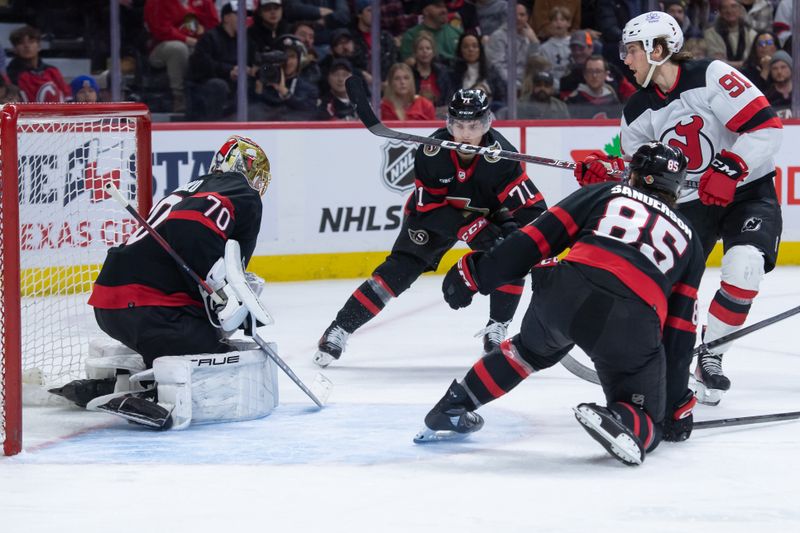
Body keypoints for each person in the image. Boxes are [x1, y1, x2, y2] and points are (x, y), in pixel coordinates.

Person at [416, 142, 704, 467]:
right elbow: (679, 332)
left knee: (529, 350)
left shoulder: (607, 192)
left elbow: (535, 239)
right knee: (648, 420)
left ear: (634, 175)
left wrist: (477, 274)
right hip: (629, 318)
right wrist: (676, 404)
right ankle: (624, 417)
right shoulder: (690, 239)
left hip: (565, 291)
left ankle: (454, 405)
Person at [573, 11, 783, 406]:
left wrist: (732, 167)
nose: (626, 60)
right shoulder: (637, 109)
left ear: (658, 49)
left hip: (747, 193)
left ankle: (712, 356)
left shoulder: (711, 75)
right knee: (661, 288)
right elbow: (641, 173)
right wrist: (608, 169)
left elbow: (766, 127)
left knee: (745, 267)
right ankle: (653, 360)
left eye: (632, 50)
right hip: (687, 206)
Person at [50, 136, 274, 429]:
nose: (257, 185)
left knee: (196, 333)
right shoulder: (242, 192)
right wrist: (220, 292)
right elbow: (190, 227)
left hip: (111, 307)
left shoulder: (190, 189)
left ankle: (111, 385)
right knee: (214, 352)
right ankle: (151, 395)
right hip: (152, 310)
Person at [314, 89, 547, 367]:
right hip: (436, 218)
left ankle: (497, 327)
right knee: (397, 272)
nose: (465, 134)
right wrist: (469, 227)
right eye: (459, 125)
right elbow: (429, 208)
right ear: (450, 123)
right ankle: (339, 328)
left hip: (487, 216)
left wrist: (528, 242)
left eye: (473, 126)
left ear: (486, 123)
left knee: (512, 251)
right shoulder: (432, 151)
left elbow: (533, 210)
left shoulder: (502, 157)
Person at [144, 0, 220, 113]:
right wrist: (188, 40)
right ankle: (179, 97)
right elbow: (161, 30)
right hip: (162, 46)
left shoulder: (203, 2)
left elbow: (213, 25)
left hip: (196, 43)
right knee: (178, 48)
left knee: (208, 49)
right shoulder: (157, 2)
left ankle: (209, 93)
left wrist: (204, 39)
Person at [6, 25, 71, 103]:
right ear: (14, 49)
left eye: (31, 42)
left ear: (39, 46)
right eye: (21, 43)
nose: (27, 46)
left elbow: (68, 98)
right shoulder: (11, 75)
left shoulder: (52, 71)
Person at [449, 33, 506, 109]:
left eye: (474, 46)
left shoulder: (491, 71)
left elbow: (502, 96)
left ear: (480, 49)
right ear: (460, 50)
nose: (470, 49)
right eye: (466, 47)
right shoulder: (453, 73)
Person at [703, 0, 756, 69]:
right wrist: (743, 63)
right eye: (724, 8)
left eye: (733, 6)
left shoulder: (751, 34)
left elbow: (752, 61)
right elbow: (717, 62)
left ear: (740, 9)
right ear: (720, 12)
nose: (729, 11)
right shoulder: (710, 34)